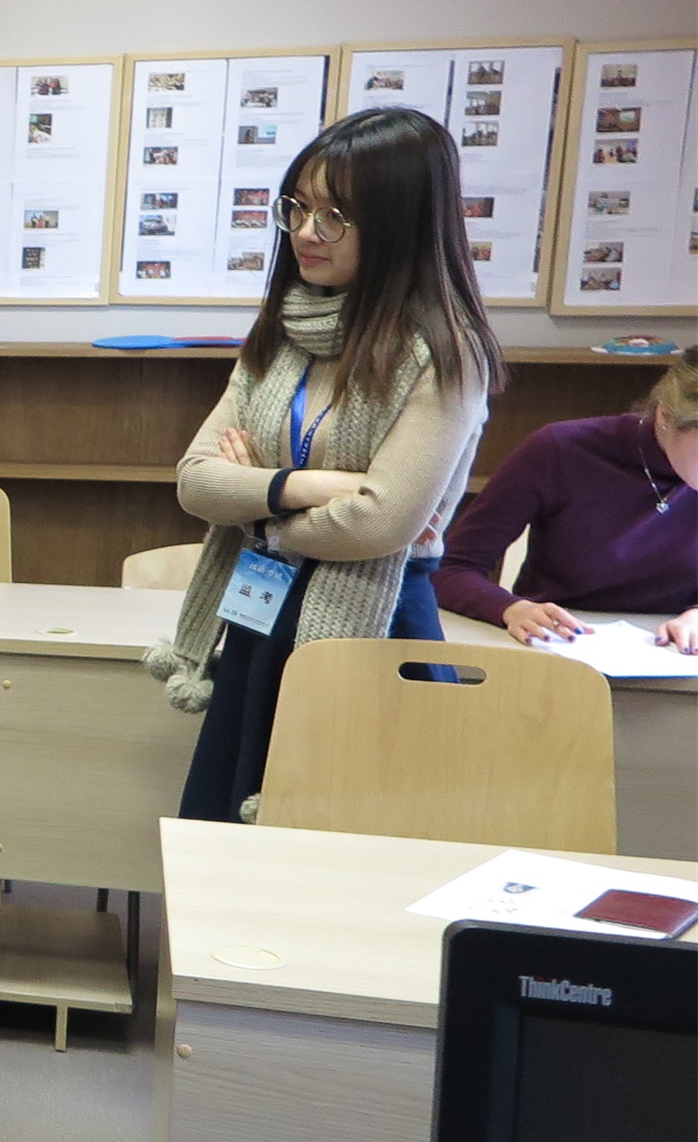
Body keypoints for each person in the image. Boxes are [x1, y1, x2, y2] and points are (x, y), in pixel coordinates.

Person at [150, 109, 501, 824]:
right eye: (299, 208)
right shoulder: (285, 332)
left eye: (336, 216)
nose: (307, 232)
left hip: (373, 620)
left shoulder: (445, 353)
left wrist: (258, 510)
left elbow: (379, 523)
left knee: (340, 837)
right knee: (228, 834)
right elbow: (196, 480)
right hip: (261, 611)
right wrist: (304, 487)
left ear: (401, 227)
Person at [434, 351, 698, 652]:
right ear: (665, 417)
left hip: (680, 660)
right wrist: (512, 609)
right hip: (560, 648)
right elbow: (450, 568)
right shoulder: (561, 449)